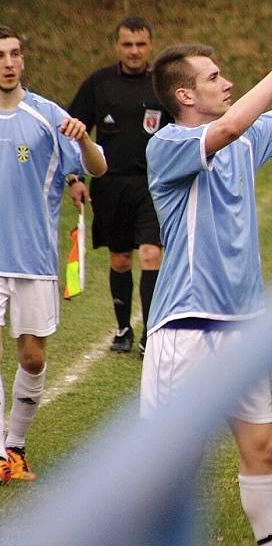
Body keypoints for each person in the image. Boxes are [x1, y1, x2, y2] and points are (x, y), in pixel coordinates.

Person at [141, 0, 272, 543]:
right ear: (186, 95)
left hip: (243, 322)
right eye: (215, 76)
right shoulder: (170, 145)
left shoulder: (246, 135)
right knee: (169, 469)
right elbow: (225, 129)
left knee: (264, 449)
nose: (225, 82)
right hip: (185, 326)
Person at [0, 25, 107, 483]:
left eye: (14, 54)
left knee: (33, 359)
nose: (8, 63)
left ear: (23, 60)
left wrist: (83, 139)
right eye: (0, 55)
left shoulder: (46, 115)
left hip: (33, 260)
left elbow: (98, 166)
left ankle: (16, 445)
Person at [68, 17, 172, 357]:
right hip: (109, 185)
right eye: (127, 44)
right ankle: (124, 328)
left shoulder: (162, 85)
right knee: (120, 260)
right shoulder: (98, 84)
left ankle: (151, 332)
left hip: (152, 184)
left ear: (151, 45)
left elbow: (182, 133)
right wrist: (75, 178)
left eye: (140, 44)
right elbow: (73, 132)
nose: (134, 51)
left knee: (151, 253)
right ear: (117, 46)